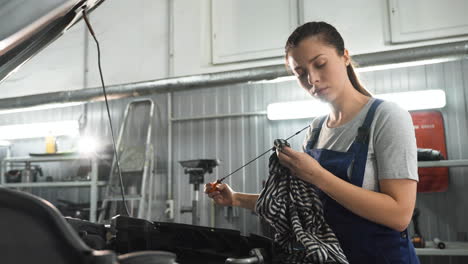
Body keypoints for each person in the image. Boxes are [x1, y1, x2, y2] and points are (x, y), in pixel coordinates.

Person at [205, 21, 419, 264]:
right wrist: (235, 198)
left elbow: (399, 215)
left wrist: (318, 176)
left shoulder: (387, 117)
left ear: (345, 57)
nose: (312, 79)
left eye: (320, 64)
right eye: (300, 73)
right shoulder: (316, 130)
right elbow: (305, 207)